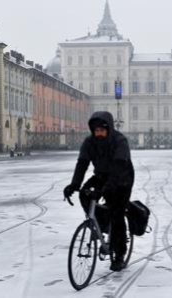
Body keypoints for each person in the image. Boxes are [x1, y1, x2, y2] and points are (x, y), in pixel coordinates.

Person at [63, 111, 135, 272]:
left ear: (108, 129)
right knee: (84, 193)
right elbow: (82, 164)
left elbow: (118, 168)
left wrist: (103, 190)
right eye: (96, 131)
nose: (99, 133)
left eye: (102, 130)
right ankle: (102, 224)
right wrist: (74, 185)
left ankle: (119, 254)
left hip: (122, 178)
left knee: (117, 213)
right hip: (102, 175)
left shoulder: (119, 141)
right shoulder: (89, 143)